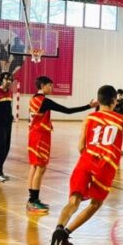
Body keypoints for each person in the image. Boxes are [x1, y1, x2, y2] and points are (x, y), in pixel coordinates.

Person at [48, 85, 123, 245]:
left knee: (73, 200)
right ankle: (65, 233)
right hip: (106, 164)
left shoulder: (89, 118)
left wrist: (87, 157)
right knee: (95, 203)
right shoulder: (122, 119)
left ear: (98, 101)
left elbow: (80, 146)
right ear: (114, 101)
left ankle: (59, 229)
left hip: (86, 159)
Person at [26, 76, 96, 213]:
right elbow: (68, 110)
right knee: (40, 168)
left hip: (33, 135)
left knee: (34, 167)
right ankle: (33, 201)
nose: (51, 88)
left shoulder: (33, 99)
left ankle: (32, 199)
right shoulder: (44, 101)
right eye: (50, 86)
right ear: (43, 85)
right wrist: (89, 106)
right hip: (40, 136)